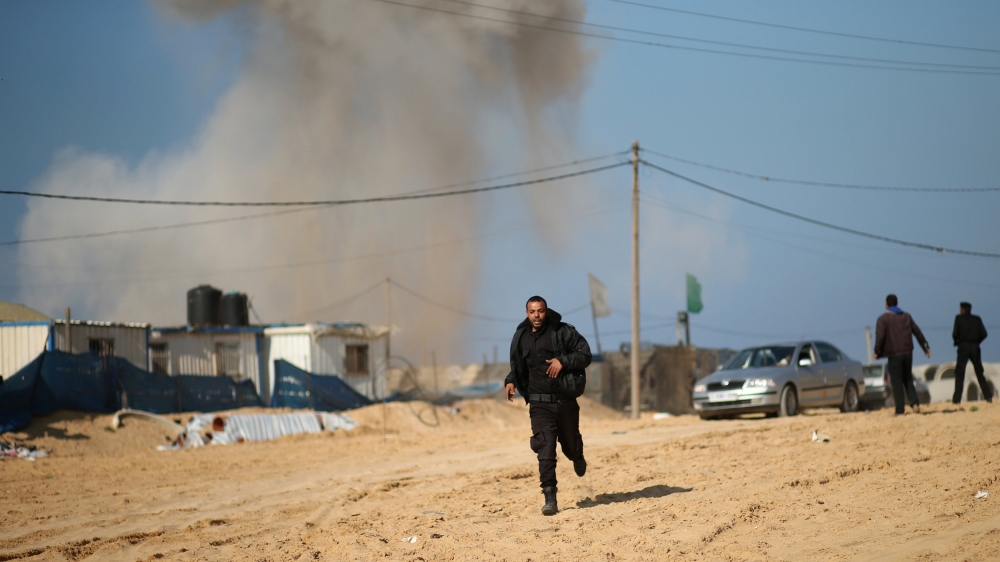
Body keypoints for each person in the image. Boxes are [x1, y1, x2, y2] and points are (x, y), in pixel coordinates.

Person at [505, 296, 592, 516]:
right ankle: (550, 497)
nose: (537, 315)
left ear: (546, 311)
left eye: (541, 311)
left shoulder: (562, 332)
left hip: (564, 401)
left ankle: (577, 454)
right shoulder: (521, 337)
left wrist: (562, 361)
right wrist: (510, 380)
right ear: (527, 313)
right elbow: (520, 365)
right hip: (538, 404)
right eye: (533, 311)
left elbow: (585, 354)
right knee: (545, 448)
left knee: (570, 446)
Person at [874, 294, 930, 415]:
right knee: (908, 378)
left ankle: (900, 409)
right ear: (897, 303)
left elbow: (880, 337)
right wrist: (925, 347)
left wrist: (876, 351)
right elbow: (917, 332)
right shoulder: (906, 316)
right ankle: (915, 403)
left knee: (896, 381)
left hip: (894, 354)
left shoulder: (883, 319)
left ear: (886, 304)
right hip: (907, 352)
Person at [952, 302, 991, 404]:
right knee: (979, 372)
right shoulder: (977, 319)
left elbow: (955, 334)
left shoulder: (959, 318)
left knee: (960, 373)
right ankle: (988, 396)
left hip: (963, 347)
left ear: (963, 309)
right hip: (975, 348)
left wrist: (957, 341)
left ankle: (957, 399)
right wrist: (977, 342)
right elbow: (984, 334)